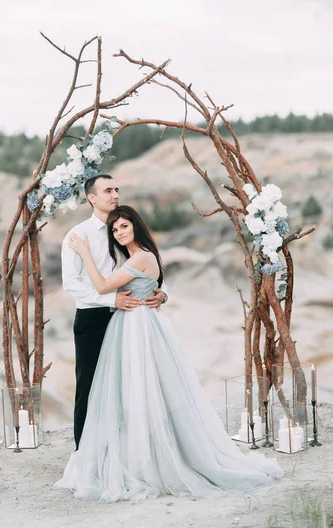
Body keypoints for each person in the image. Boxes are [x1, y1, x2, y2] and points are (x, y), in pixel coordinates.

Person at [55, 205, 283, 501]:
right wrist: (160, 293)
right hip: (131, 323)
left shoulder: (141, 256)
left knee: (145, 389)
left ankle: (152, 459)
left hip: (137, 326)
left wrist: (84, 252)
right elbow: (154, 285)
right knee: (134, 391)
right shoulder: (138, 256)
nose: (119, 232)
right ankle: (137, 453)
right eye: (115, 229)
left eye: (124, 226)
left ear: (135, 225)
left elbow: (101, 285)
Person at [61, 175, 167, 448]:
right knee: (90, 386)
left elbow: (146, 269)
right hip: (94, 319)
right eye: (108, 190)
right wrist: (111, 301)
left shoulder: (123, 230)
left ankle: (122, 450)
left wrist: (163, 294)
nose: (115, 194)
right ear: (92, 198)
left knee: (127, 385)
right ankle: (84, 452)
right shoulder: (77, 235)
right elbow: (71, 283)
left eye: (117, 189)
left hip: (131, 318)